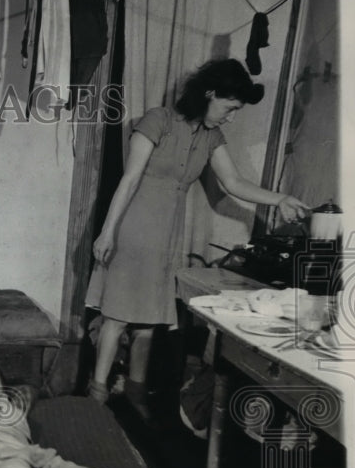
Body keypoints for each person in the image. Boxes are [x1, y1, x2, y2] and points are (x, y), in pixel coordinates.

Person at [85, 59, 308, 419]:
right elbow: (128, 181)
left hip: (167, 234)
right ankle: (96, 395)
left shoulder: (211, 137)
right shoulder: (158, 120)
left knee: (148, 321)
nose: (231, 117)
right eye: (230, 108)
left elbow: (233, 183)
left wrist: (279, 198)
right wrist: (108, 231)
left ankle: (135, 391)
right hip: (134, 227)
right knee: (118, 317)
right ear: (209, 94)